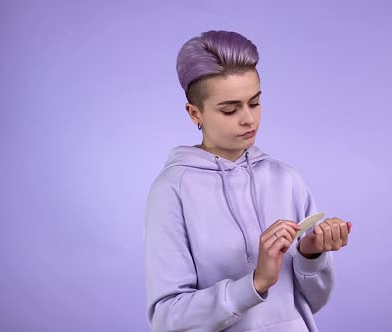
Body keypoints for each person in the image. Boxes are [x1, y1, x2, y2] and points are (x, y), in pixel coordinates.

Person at [144, 30, 352, 332]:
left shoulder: (285, 178)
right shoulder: (172, 191)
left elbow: (313, 302)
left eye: (254, 103)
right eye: (230, 109)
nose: (248, 120)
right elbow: (168, 319)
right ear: (194, 113)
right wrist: (255, 282)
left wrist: (311, 254)